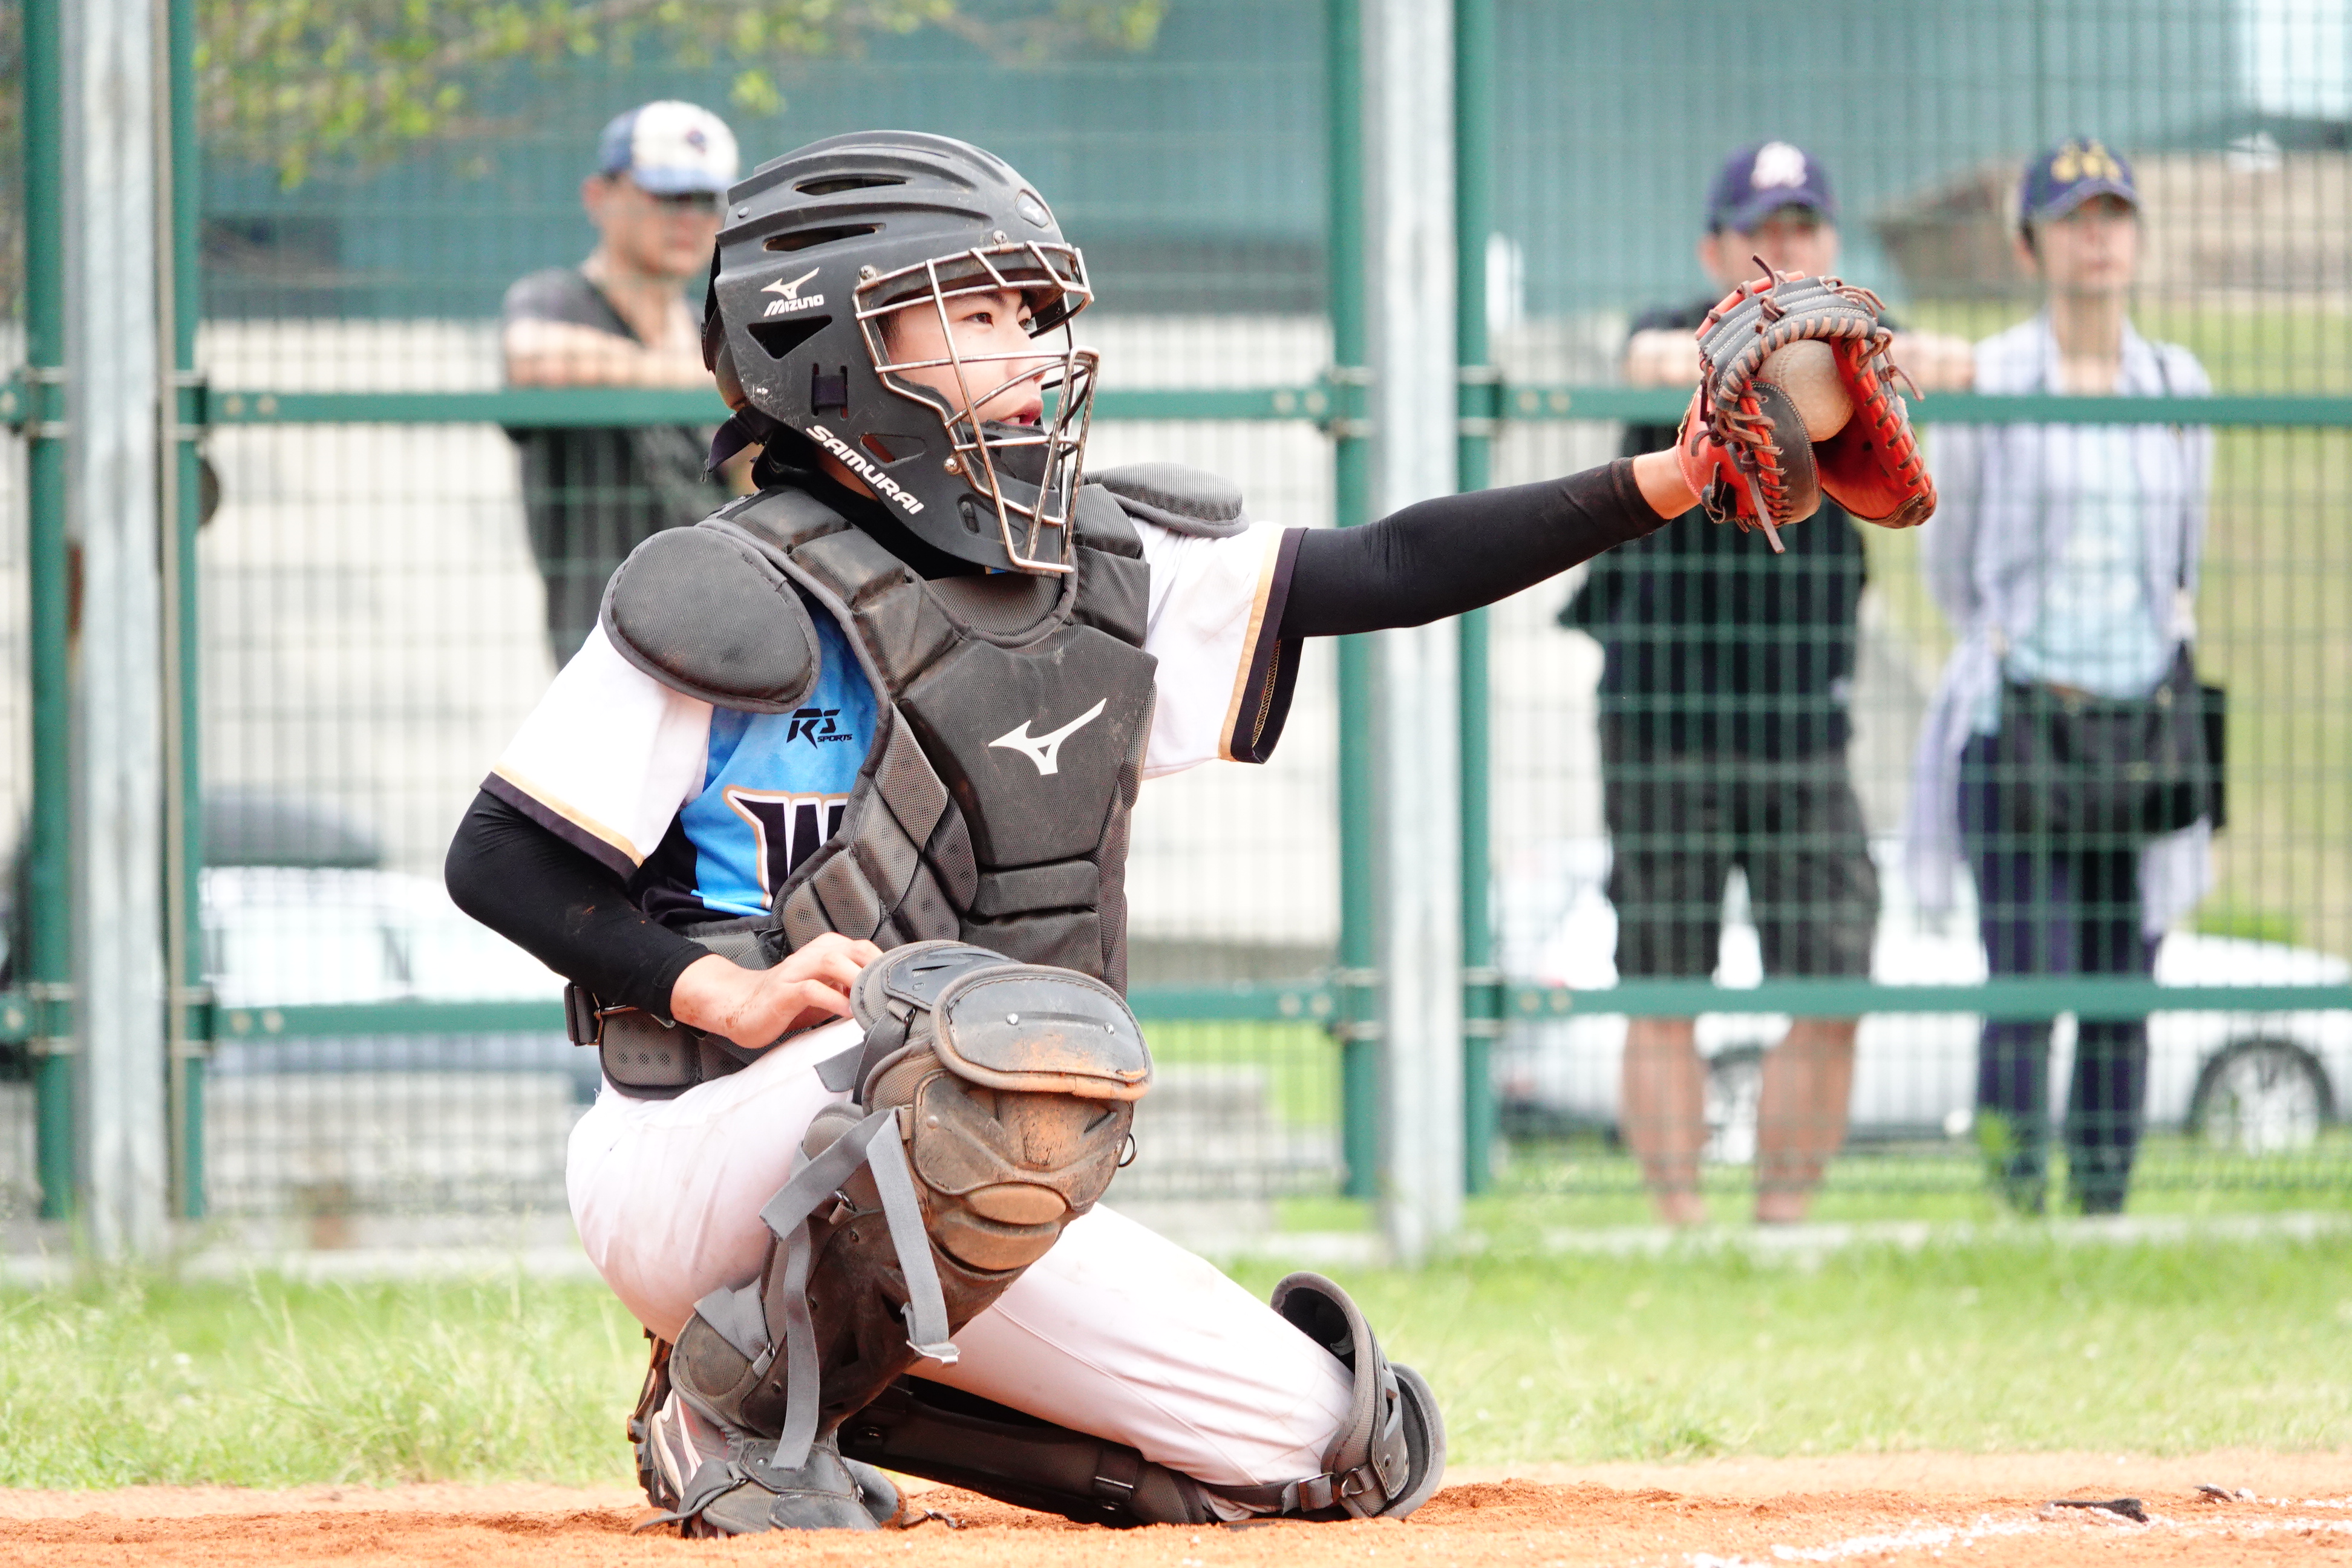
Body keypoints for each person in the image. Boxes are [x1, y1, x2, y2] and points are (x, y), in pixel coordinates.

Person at [445, 130, 1873, 1536]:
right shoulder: (729, 590)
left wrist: (1670, 477)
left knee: (1331, 1444)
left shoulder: (1097, 573)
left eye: (1029, 315)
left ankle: (785, 1384)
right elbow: (499, 858)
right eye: (973, 314)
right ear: (829, 347)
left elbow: (1387, 565)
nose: (1025, 348)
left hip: (947, 1164)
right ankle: (741, 1405)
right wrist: (719, 988)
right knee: (960, 1047)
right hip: (700, 1147)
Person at [1572, 142, 1973, 1225]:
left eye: (1803, 226)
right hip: (1663, 717)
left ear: (1831, 242)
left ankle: (1782, 1222)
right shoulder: (1677, 328)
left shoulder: (1859, 356)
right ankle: (1682, 1225)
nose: (1785, 246)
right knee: (1663, 986)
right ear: (1717, 250)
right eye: (1763, 229)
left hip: (1804, 722)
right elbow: (1644, 357)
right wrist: (1741, 349)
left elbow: (1947, 365)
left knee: (1833, 981)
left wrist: (1870, 357)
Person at [1905, 140, 2214, 1216]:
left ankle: (2103, 1203)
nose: (2097, 237)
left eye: (2113, 214)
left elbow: (2183, 554)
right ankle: (2013, 1199)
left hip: (2141, 724)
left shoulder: (2176, 385)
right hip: (2023, 719)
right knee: (2026, 981)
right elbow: (1950, 562)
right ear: (2027, 245)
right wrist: (2010, 644)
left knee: (2124, 987)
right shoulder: (1993, 376)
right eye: (2073, 218)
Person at [501, 101, 742, 665]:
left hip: (725, 640)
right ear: (599, 197)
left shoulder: (712, 331)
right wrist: (714, 381)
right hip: (604, 648)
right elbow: (533, 358)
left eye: (706, 200)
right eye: (667, 195)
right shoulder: (557, 301)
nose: (689, 219)